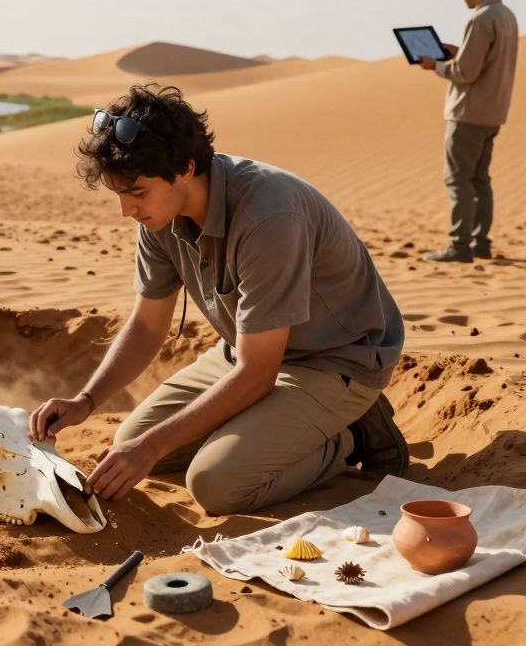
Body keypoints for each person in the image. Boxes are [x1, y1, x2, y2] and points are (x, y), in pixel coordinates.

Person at [28, 84, 408, 515]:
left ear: (186, 169)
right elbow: (148, 325)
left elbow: (257, 374)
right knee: (135, 442)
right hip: (249, 352)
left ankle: (353, 434)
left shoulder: (269, 215)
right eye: (119, 194)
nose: (125, 210)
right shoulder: (159, 216)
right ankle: (275, 429)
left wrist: (148, 447)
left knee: (216, 483)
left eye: (136, 193)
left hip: (334, 360)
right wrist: (86, 401)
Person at [419, 0, 519, 263]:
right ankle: (481, 244)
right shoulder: (507, 16)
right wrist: (457, 53)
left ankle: (459, 246)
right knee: (479, 180)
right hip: (493, 111)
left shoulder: (481, 18)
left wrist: (434, 65)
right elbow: (482, 62)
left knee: (458, 179)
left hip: (468, 113)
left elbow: (466, 72)